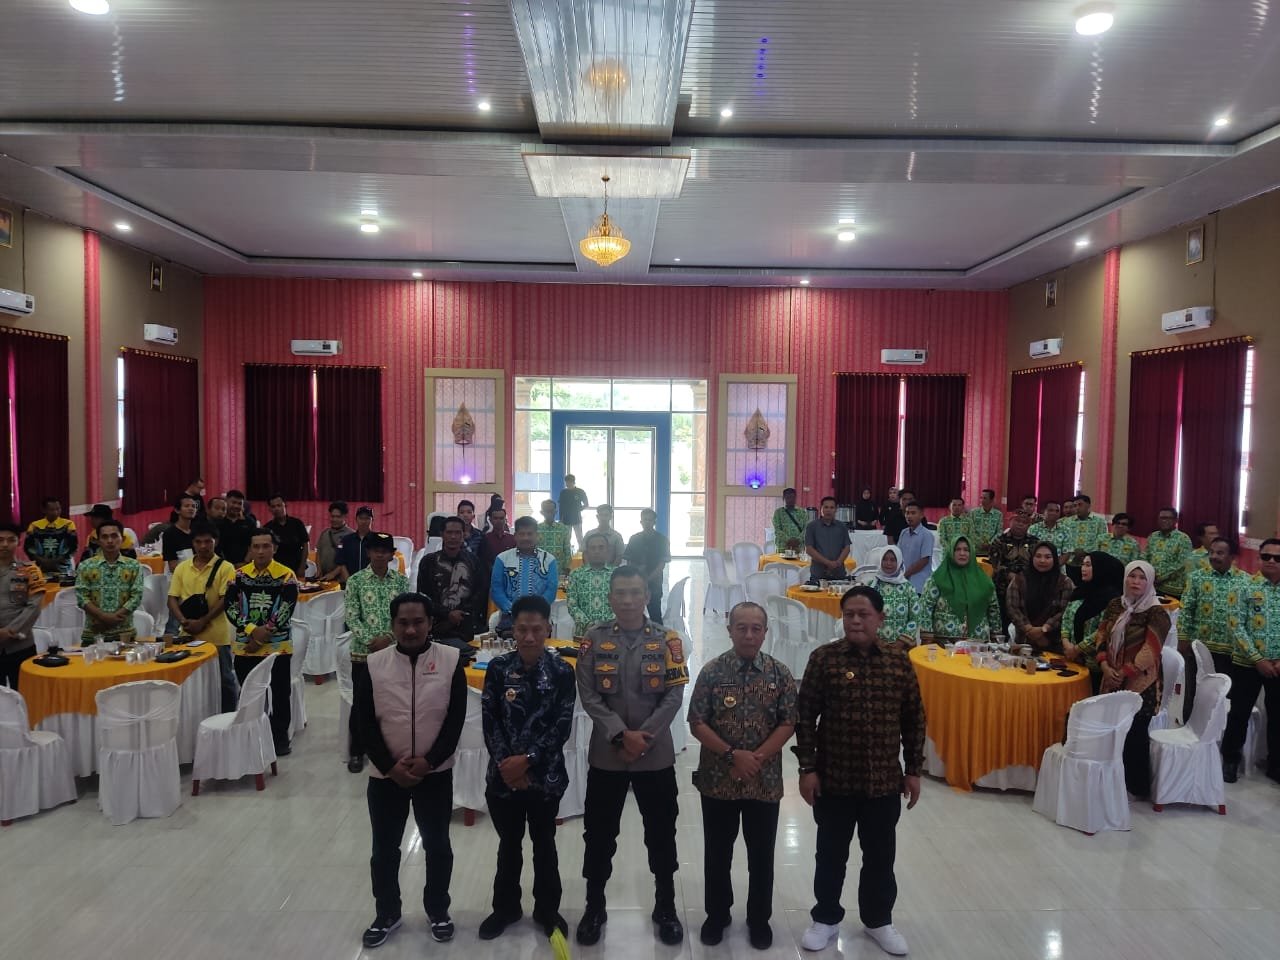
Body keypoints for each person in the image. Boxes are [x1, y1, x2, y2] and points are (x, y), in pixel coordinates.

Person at [795, 585, 923, 957]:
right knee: (830, 854)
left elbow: (914, 718)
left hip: (883, 781)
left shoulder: (898, 661)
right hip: (834, 779)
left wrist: (913, 770)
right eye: (849, 614)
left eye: (863, 614)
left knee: (880, 857)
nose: (855, 621)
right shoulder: (824, 659)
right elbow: (805, 716)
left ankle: (878, 919)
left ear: (880, 618)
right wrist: (807, 768)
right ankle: (825, 918)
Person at [575, 566, 690, 947]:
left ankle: (665, 906)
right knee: (599, 834)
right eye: (620, 593)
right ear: (610, 598)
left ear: (647, 597)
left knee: (661, 832)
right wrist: (621, 735)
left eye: (635, 593)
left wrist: (644, 737)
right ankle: (594, 906)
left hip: (654, 755)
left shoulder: (667, 640)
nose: (627, 600)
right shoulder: (593, 639)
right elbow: (588, 694)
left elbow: (674, 694)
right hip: (607, 755)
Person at [353, 592, 466, 950]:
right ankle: (387, 913)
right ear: (393, 625)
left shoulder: (450, 660)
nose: (411, 629)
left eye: (418, 622)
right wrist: (389, 767)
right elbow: (363, 722)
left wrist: (429, 761)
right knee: (384, 850)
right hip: (386, 776)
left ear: (431, 623)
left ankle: (438, 910)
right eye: (403, 623)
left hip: (435, 772)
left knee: (438, 846)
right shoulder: (374, 664)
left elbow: (455, 720)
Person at [688, 601, 797, 950]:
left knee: (761, 856)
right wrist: (733, 755)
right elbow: (697, 722)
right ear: (729, 630)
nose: (749, 635)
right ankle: (717, 915)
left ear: (765, 632)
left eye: (756, 628)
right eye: (741, 628)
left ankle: (759, 919)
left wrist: (756, 758)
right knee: (717, 854)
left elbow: (788, 722)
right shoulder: (712, 672)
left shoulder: (780, 674)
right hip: (718, 780)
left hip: (763, 782)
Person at [477, 594, 577, 941]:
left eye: (536, 629)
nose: (530, 637)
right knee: (508, 845)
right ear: (513, 630)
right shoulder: (498, 669)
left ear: (548, 628)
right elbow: (489, 721)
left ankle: (548, 910)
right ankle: (505, 908)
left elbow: (561, 726)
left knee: (544, 844)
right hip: (503, 777)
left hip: (544, 777)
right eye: (523, 629)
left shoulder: (562, 671)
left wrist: (528, 762)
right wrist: (508, 766)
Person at [1066, 561, 1168, 798]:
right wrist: (1103, 664)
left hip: (1142, 682)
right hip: (1110, 674)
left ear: (1150, 582)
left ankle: (1137, 787)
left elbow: (1151, 649)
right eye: (1132, 576)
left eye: (1142, 578)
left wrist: (1124, 672)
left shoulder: (1157, 612)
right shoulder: (1115, 605)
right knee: (1110, 728)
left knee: (1135, 732)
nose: (1136, 582)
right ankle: (1109, 780)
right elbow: (1102, 635)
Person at [225, 529, 299, 755]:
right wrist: (251, 630)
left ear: (274, 548)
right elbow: (230, 607)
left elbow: (286, 609)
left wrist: (263, 634)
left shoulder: (286, 575)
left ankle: (279, 738)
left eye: (266, 546)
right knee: (249, 694)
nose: (260, 551)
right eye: (256, 546)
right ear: (250, 549)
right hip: (245, 646)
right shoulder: (238, 576)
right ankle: (252, 735)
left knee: (280, 693)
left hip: (277, 646)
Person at [344, 533, 411, 772]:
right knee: (362, 703)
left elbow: (406, 616)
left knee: (394, 703)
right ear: (368, 553)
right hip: (364, 654)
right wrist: (371, 640)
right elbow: (351, 616)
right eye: (376, 550)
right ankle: (357, 751)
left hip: (395, 652)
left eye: (385, 551)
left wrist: (390, 638)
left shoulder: (401, 582)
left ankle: (391, 749)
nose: (380, 555)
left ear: (392, 555)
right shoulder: (356, 581)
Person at [1179, 537, 1252, 735]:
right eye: (1211, 552)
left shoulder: (1246, 581)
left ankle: (1220, 736)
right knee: (1195, 693)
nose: (1213, 556)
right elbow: (1186, 610)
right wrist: (1183, 638)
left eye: (1220, 553)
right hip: (1200, 649)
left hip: (1232, 651)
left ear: (1232, 557)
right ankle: (1190, 733)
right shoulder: (1197, 577)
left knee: (1224, 695)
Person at [1224, 539, 1280, 783]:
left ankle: (1275, 764)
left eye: (1277, 558)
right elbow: (1236, 626)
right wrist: (1258, 659)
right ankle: (1230, 759)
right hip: (1247, 663)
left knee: (1278, 716)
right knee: (1239, 712)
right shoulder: (1243, 586)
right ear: (1258, 558)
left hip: (1278, 666)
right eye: (1266, 556)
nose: (1271, 561)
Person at [166, 522, 237, 711]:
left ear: (216, 542)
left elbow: (225, 599)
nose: (203, 546)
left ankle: (229, 716)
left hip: (217, 635)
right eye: (198, 542)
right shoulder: (182, 568)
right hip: (187, 634)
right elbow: (172, 599)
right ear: (193, 543)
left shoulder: (226, 568)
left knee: (225, 679)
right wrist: (183, 621)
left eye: (208, 541)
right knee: (190, 680)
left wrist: (203, 621)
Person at [417, 516, 487, 650]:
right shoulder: (428, 562)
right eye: (449, 532)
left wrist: (462, 613)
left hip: (467, 627)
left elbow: (480, 592)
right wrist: (447, 614)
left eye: (457, 533)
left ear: (463, 535)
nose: (453, 537)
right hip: (436, 627)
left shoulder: (474, 561)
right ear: (442, 534)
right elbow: (423, 596)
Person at [1061, 551, 1126, 695]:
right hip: (1072, 660)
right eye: (1083, 564)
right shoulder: (1081, 592)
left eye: (1088, 565)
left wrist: (1077, 649)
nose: (1083, 569)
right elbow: (1067, 618)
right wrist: (1066, 643)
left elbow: (1104, 630)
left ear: (1101, 568)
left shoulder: (1114, 600)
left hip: (1096, 665)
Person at [919, 536, 1001, 643]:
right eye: (957, 549)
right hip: (944, 644)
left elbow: (994, 610)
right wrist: (927, 636)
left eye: (966, 550)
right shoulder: (938, 579)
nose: (962, 553)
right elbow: (925, 607)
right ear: (951, 552)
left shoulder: (984, 581)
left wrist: (996, 637)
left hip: (978, 645)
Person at [75, 520, 144, 645]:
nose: (110, 541)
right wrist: (103, 616)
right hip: (94, 634)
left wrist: (114, 617)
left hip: (124, 633)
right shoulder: (86, 566)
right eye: (105, 537)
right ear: (97, 541)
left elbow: (137, 596)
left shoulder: (133, 566)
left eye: (114, 536)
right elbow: (81, 597)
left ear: (122, 539)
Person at [491, 516, 558, 636]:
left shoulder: (549, 560)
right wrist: (514, 610)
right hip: (510, 620)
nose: (526, 538)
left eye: (529, 534)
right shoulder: (502, 559)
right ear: (515, 536)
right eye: (522, 534)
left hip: (540, 619)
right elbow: (496, 589)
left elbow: (551, 590)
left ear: (537, 536)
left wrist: (535, 611)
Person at [1005, 542, 1075, 652]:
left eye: (1048, 557)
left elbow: (1064, 611)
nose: (1042, 560)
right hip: (1023, 641)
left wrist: (1044, 629)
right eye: (1038, 556)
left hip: (1053, 643)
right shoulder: (1019, 579)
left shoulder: (1065, 582)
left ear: (1055, 559)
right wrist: (1028, 629)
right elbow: (1012, 607)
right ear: (1032, 558)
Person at [0, 522, 44, 690]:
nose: (5, 544)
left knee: (25, 694)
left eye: (11, 540)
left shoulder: (29, 571)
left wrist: (10, 631)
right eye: (0, 540)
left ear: (18, 542)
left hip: (20, 645)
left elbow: (34, 607)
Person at [853, 546, 922, 650]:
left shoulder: (908, 588)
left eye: (892, 560)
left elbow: (916, 617)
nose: (888, 563)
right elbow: (864, 615)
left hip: (903, 646)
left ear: (899, 562)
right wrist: (876, 640)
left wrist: (901, 641)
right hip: (876, 645)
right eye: (884, 559)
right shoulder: (872, 586)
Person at [624, 508, 671, 624]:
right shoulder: (634, 539)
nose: (647, 522)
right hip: (635, 581)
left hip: (654, 583)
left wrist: (648, 579)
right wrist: (635, 577)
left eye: (650, 520)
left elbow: (662, 564)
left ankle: (658, 634)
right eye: (645, 520)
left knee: (655, 614)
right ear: (641, 522)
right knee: (633, 613)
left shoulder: (662, 540)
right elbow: (629, 561)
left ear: (654, 522)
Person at [989, 510, 1036, 625]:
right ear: (1010, 521)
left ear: (1029, 525)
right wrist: (1010, 575)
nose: (1020, 524)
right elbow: (995, 565)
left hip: (1027, 587)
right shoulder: (999, 541)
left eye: (1024, 522)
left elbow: (1037, 564)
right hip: (1003, 587)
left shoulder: (1034, 542)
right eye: (1017, 521)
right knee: (1004, 620)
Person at [567, 531, 615, 636]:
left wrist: (605, 625)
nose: (597, 551)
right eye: (592, 548)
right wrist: (588, 624)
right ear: (587, 552)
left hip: (612, 632)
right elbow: (572, 605)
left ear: (608, 550)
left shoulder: (617, 574)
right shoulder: (575, 574)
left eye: (601, 547)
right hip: (583, 632)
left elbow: (621, 603)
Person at [1144, 506, 1193, 599]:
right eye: (1161, 518)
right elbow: (1145, 556)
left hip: (1172, 589)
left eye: (1168, 518)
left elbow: (1181, 564)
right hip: (1151, 586)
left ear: (1175, 520)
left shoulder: (1183, 539)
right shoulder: (1153, 536)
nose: (1164, 521)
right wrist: (1147, 574)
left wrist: (1160, 578)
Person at [24, 497, 77, 577]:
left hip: (63, 566)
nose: (56, 512)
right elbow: (28, 547)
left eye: (58, 509)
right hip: (41, 566)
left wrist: (56, 561)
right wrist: (42, 561)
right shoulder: (34, 526)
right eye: (52, 510)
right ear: (44, 510)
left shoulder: (68, 524)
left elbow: (73, 546)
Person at [326, 506, 377, 583]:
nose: (364, 521)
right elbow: (341, 563)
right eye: (361, 518)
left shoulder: (377, 540)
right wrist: (350, 582)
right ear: (356, 519)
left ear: (372, 520)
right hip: (349, 582)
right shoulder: (346, 540)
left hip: (372, 583)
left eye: (367, 518)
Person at [805, 497, 850, 584]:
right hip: (818, 574)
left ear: (836, 510)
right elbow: (809, 549)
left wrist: (837, 563)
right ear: (821, 509)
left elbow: (847, 547)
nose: (828, 510)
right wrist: (828, 563)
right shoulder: (812, 526)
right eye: (826, 507)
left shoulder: (842, 526)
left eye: (832, 507)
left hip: (839, 574)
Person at [263, 494, 309, 578]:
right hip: (276, 569)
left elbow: (306, 545)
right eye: (273, 506)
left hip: (296, 567)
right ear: (270, 509)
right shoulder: (267, 528)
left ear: (285, 505)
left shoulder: (297, 523)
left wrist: (302, 567)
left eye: (279, 505)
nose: (276, 509)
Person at [896, 502, 934, 594]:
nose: (909, 516)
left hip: (919, 583)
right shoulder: (903, 533)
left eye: (913, 513)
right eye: (907, 513)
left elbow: (924, 561)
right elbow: (898, 554)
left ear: (921, 515)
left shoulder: (927, 535)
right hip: (902, 581)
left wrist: (905, 574)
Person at [216, 490, 257, 565]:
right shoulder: (218, 521)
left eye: (239, 503)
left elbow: (254, 543)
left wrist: (245, 562)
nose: (236, 506)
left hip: (245, 564)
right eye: (233, 502)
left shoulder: (249, 522)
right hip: (222, 564)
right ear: (226, 501)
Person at [161, 494, 199, 574]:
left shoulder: (197, 531)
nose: (191, 508)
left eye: (193, 506)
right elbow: (173, 567)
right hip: (179, 576)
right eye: (187, 506)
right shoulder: (169, 534)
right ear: (177, 510)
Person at [316, 500, 355, 577]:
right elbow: (318, 554)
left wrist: (333, 574)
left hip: (341, 579)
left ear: (345, 516)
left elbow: (349, 559)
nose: (334, 519)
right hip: (324, 578)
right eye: (332, 516)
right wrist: (319, 570)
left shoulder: (352, 535)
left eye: (338, 517)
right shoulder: (324, 533)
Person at [536, 499, 573, 571]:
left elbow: (567, 549)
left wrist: (567, 567)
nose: (549, 513)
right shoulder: (536, 529)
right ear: (542, 512)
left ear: (555, 512)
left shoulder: (563, 528)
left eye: (551, 511)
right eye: (546, 511)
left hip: (559, 568)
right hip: (540, 568)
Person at [558, 475, 589, 552]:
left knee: (579, 537)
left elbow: (586, 504)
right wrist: (560, 519)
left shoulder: (580, 491)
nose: (568, 483)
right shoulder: (563, 492)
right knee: (567, 538)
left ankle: (582, 553)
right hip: (566, 518)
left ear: (573, 482)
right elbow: (561, 506)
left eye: (569, 482)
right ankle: (567, 553)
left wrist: (578, 509)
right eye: (566, 482)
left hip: (576, 518)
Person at [772, 487, 808, 554]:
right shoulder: (778, 513)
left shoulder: (803, 512)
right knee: (781, 561)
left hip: (798, 547)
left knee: (799, 561)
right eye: (788, 497)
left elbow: (806, 529)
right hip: (783, 547)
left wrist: (798, 540)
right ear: (783, 498)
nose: (790, 500)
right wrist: (788, 540)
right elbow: (777, 530)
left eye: (792, 497)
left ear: (795, 498)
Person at [968, 489, 1002, 556]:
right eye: (981, 498)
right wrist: (980, 543)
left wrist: (990, 543)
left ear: (991, 500)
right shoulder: (973, 513)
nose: (982, 500)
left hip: (991, 550)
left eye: (985, 498)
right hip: (975, 549)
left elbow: (999, 531)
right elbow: (970, 530)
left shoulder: (998, 514)